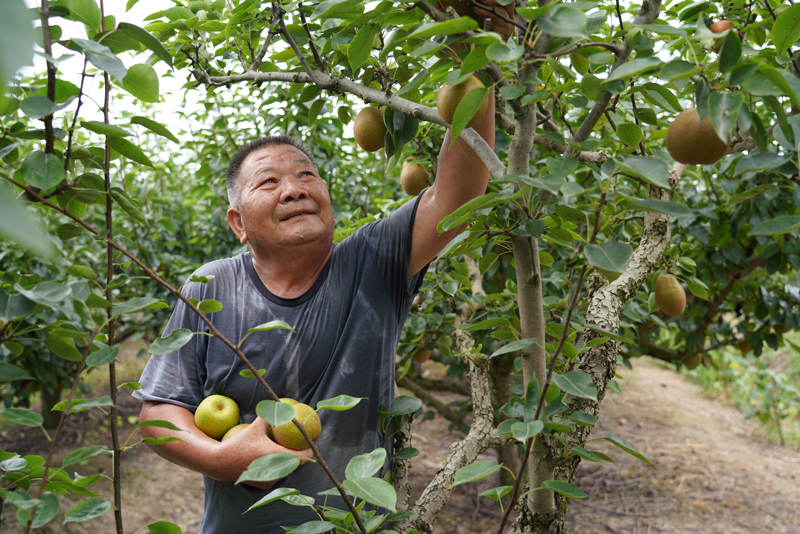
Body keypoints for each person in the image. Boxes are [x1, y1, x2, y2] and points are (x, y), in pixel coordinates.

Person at [134, 5, 513, 532]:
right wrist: (218, 456)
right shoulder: (212, 284)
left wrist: (475, 53)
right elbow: (158, 413)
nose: (293, 188)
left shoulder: (372, 261)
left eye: (306, 174)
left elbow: (459, 194)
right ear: (238, 223)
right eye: (268, 182)